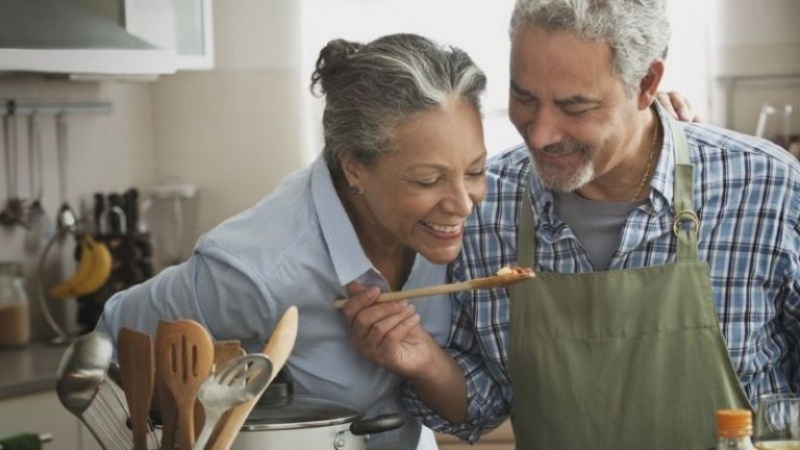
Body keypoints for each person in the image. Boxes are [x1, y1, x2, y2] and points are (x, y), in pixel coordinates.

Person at [341, 1, 800, 449]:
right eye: (523, 97)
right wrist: (422, 360)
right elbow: (482, 405)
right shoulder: (487, 205)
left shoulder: (766, 188)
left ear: (646, 83)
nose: (539, 134)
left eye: (574, 107)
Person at [96, 32, 490, 450]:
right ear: (354, 167)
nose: (463, 203)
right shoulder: (256, 269)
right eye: (428, 180)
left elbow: (471, 413)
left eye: (475, 171)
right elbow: (112, 343)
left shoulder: (454, 229)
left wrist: (425, 359)